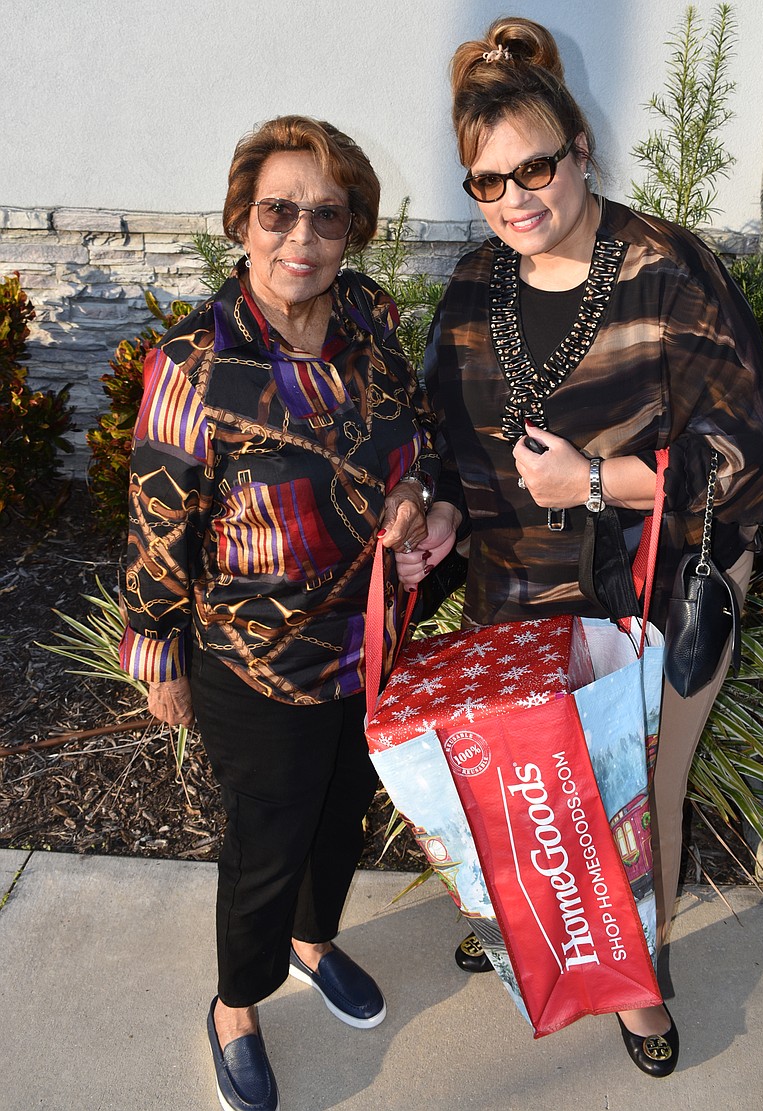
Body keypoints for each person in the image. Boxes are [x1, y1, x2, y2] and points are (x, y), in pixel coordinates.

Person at [396, 17, 763, 1078]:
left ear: (580, 150)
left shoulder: (666, 269)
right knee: (527, 784)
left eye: (536, 166)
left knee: (632, 795)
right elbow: (444, 439)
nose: (517, 197)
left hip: (653, 584)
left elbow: (744, 456)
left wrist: (596, 481)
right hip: (515, 584)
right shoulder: (475, 288)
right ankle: (535, 929)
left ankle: (638, 985)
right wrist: (436, 515)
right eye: (489, 180)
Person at [119, 115, 439, 1111]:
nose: (300, 236)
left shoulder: (373, 323)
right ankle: (235, 1005)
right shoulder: (197, 363)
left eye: (326, 216)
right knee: (267, 841)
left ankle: (313, 943)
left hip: (367, 639)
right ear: (241, 221)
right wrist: (158, 653)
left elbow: (416, 439)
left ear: (355, 232)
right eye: (277, 211)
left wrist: (416, 498)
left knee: (340, 817)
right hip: (254, 659)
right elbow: (159, 517)